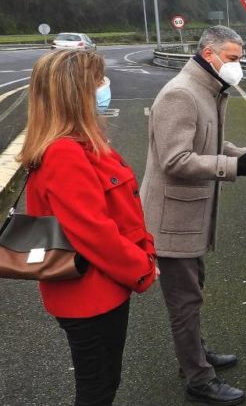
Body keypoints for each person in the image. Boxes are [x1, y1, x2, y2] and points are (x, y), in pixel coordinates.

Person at [141, 25, 246, 405]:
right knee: (185, 301)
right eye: (234, 58)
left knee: (192, 293)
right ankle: (198, 379)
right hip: (172, 219)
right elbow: (176, 160)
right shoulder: (181, 94)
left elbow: (206, 140)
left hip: (189, 216)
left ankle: (195, 355)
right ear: (210, 54)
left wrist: (244, 154)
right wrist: (236, 167)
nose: (238, 66)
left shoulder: (206, 89)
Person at [19, 50, 158, 405]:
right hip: (91, 297)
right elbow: (95, 233)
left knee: (102, 380)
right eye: (98, 81)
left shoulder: (79, 145)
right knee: (98, 387)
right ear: (77, 92)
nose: (104, 86)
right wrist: (142, 268)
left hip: (96, 292)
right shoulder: (65, 153)